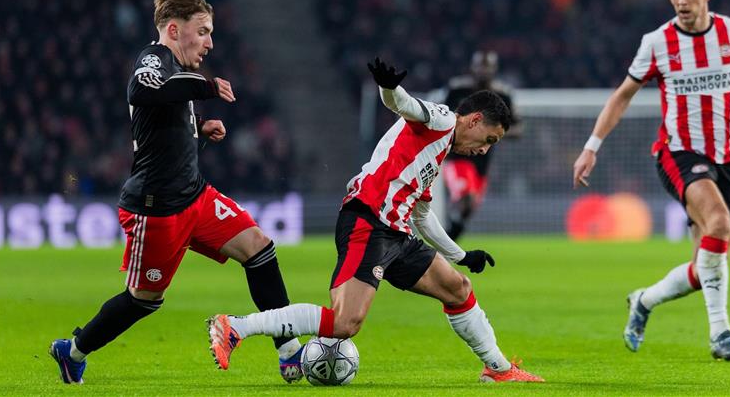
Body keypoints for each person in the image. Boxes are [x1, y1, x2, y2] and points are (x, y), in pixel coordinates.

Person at [207, 58, 544, 383]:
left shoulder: (436, 150)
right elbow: (405, 105)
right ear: (475, 119)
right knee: (345, 323)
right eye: (489, 140)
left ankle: (498, 368)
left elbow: (422, 216)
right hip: (368, 223)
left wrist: (461, 255)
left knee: (458, 289)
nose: (485, 150)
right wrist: (388, 88)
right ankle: (236, 327)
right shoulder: (442, 120)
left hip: (395, 234)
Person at [49, 0, 303, 384]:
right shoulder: (154, 59)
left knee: (259, 248)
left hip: (195, 196)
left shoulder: (176, 71)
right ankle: (73, 351)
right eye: (202, 32)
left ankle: (289, 352)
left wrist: (199, 128)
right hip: (156, 208)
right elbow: (142, 90)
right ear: (173, 29)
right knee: (143, 300)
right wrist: (206, 87)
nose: (209, 43)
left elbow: (161, 122)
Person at [572, 0, 730, 361]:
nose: (681, 1)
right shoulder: (658, 42)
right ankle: (721, 335)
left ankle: (643, 300)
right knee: (719, 223)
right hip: (679, 152)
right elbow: (622, 96)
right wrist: (591, 146)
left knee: (705, 267)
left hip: (727, 157)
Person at [442, 51, 518, 240]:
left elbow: (517, 128)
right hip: (457, 157)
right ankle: (444, 244)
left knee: (468, 209)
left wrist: (490, 133)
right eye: (480, 66)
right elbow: (443, 117)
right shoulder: (457, 90)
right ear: (472, 67)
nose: (484, 71)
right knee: (465, 200)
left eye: (488, 66)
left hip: (482, 162)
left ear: (495, 69)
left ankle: (446, 241)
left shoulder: (503, 95)